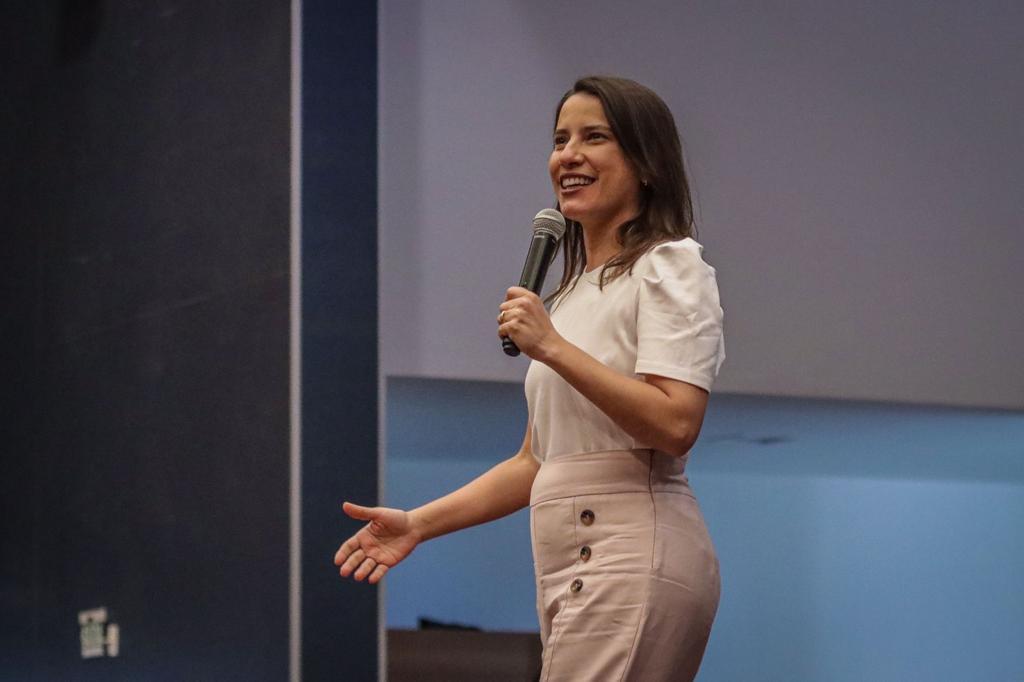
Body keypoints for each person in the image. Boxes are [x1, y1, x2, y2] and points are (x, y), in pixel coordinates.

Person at [335, 75, 725, 681]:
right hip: (571, 559)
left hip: (631, 546)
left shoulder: (668, 266)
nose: (568, 155)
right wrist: (418, 524)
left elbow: (676, 423)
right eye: (560, 139)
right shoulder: (567, 298)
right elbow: (535, 462)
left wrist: (552, 347)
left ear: (646, 164)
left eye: (594, 137)